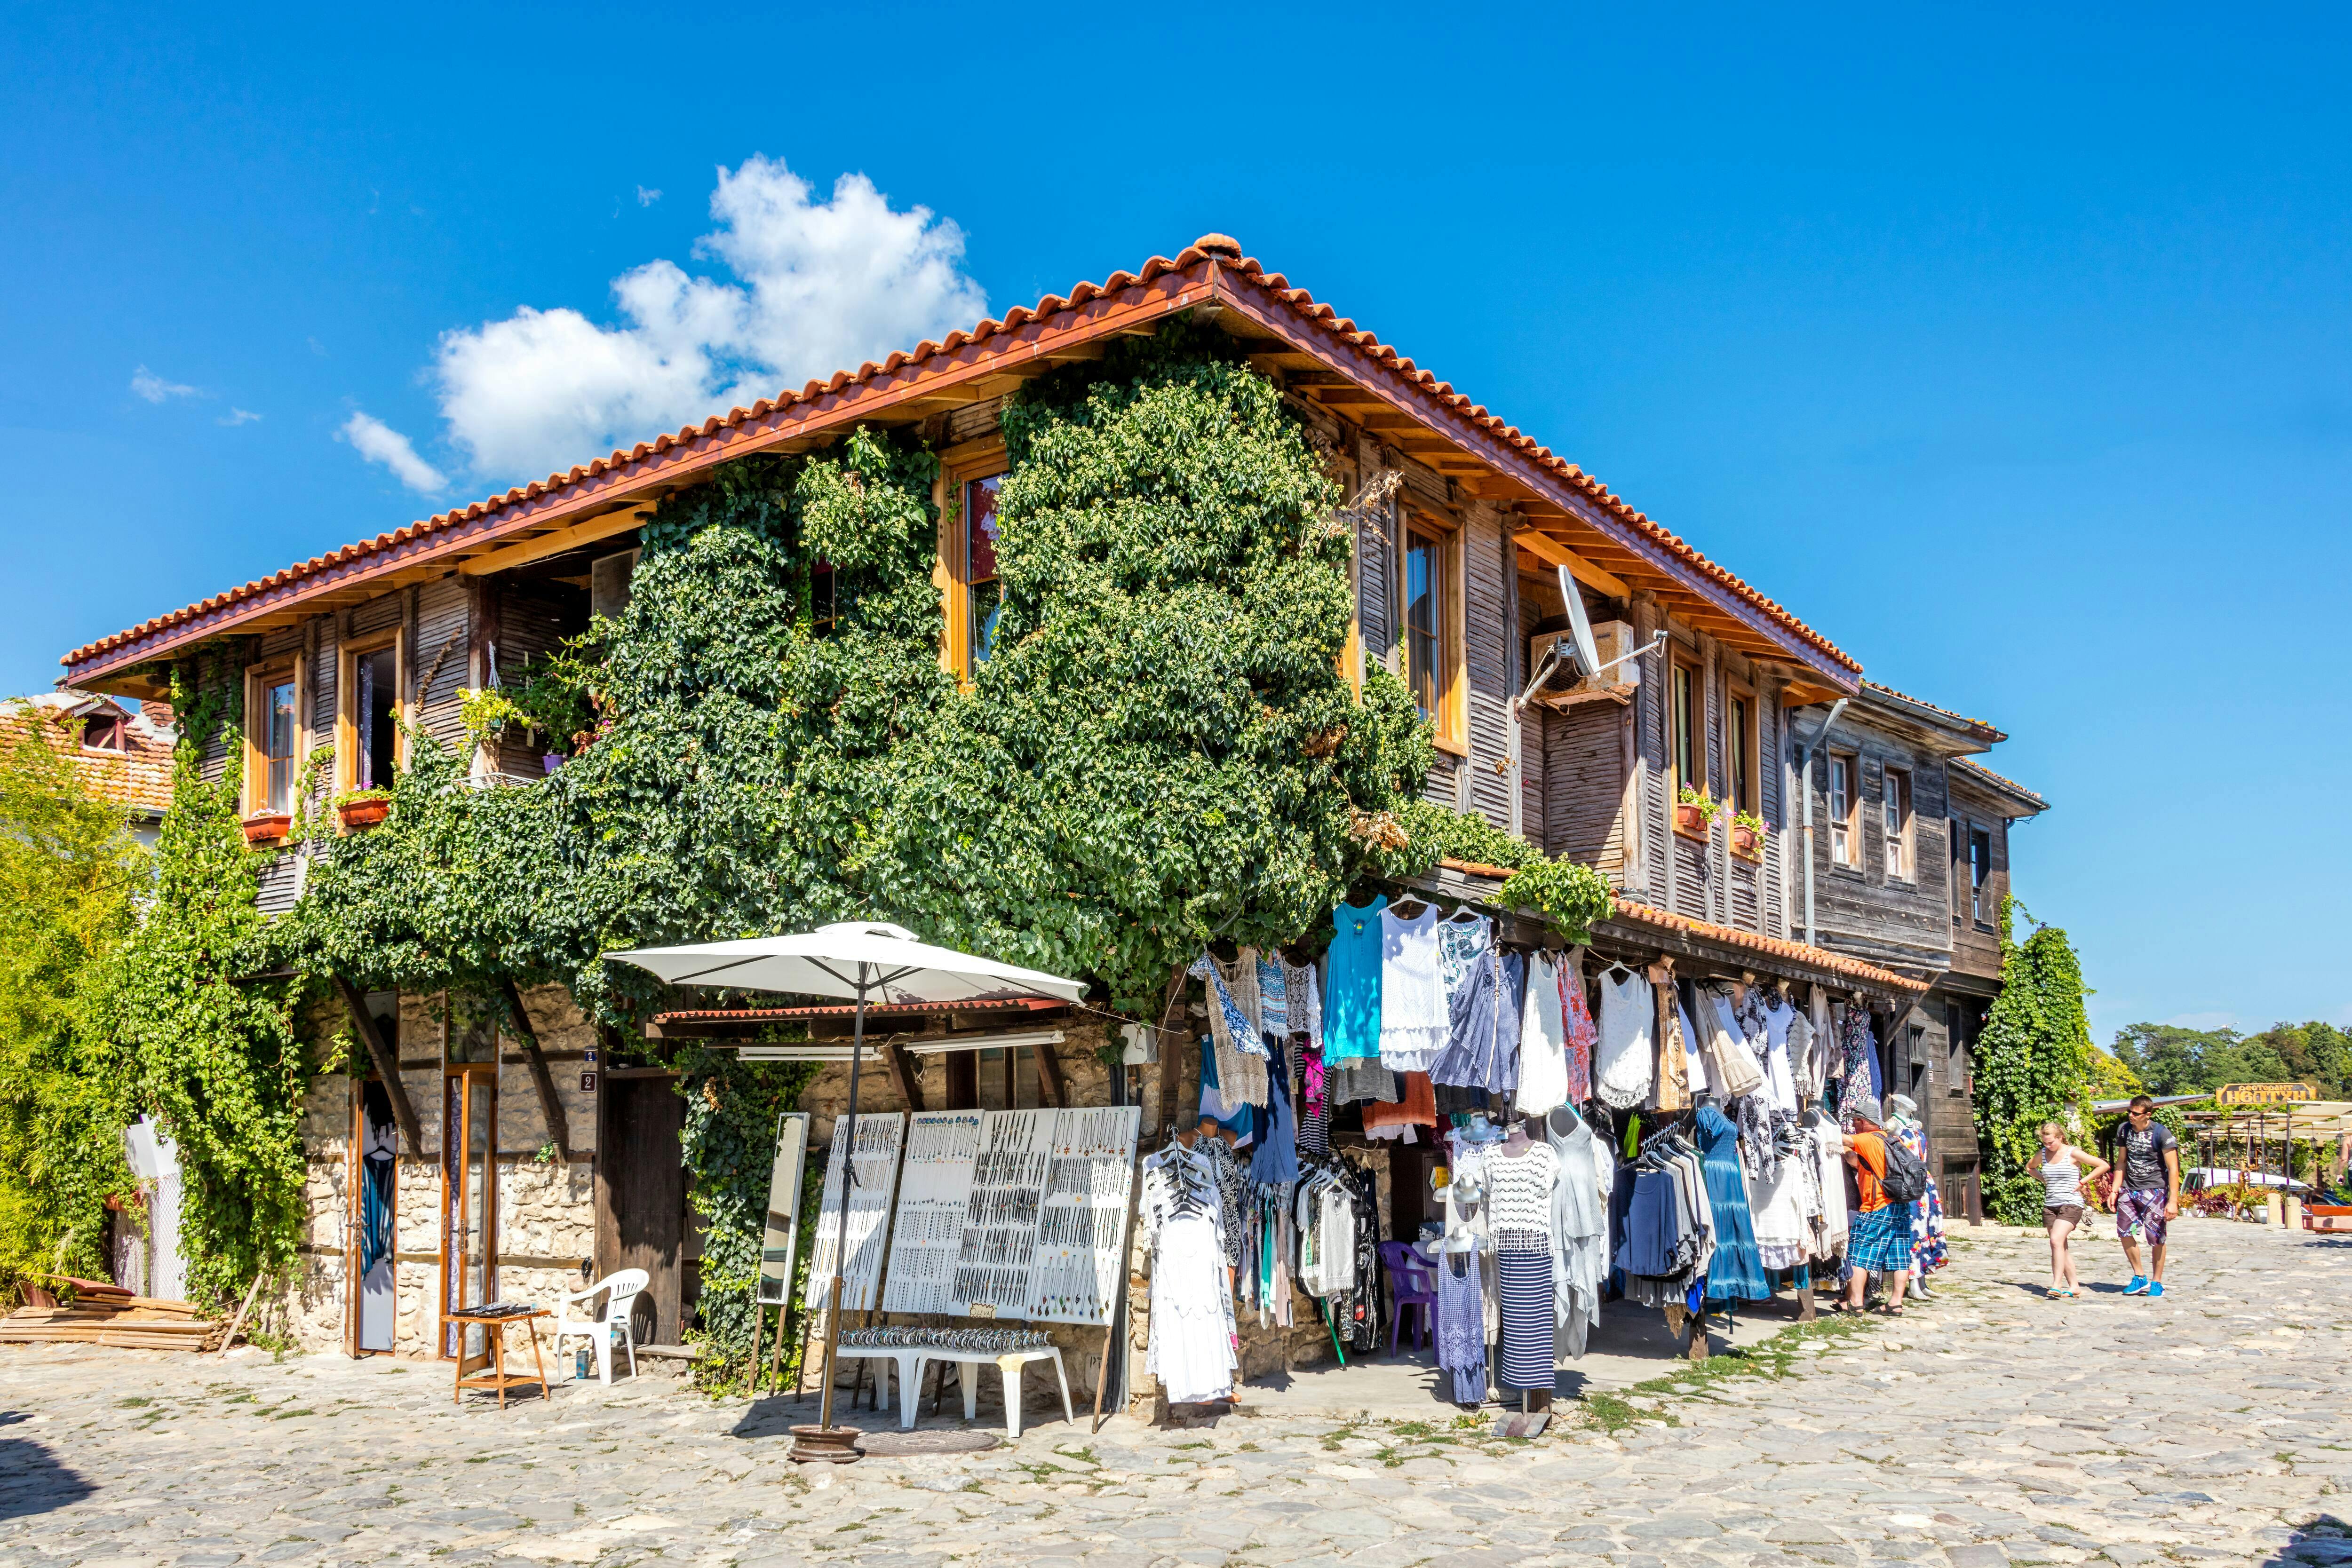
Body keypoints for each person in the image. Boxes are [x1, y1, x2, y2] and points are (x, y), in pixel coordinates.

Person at [1841, 1099, 1915, 1315]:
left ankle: (1856, 1303)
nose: (1853, 1125)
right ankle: (1896, 1303)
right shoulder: (1893, 1140)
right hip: (1900, 1205)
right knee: (1900, 1256)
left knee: (1858, 1255)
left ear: (1864, 1121)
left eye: (1855, 1121)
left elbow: (1841, 1139)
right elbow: (1861, 1163)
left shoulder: (1866, 1139)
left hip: (1877, 1206)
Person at [2108, 1095, 2182, 1297]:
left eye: (2136, 1113)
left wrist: (2173, 1201)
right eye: (2129, 1112)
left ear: (2147, 1115)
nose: (2131, 1116)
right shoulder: (2124, 1130)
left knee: (2155, 1237)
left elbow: (2173, 1169)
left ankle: (2157, 1282)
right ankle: (2139, 1276)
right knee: (2124, 1232)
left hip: (2155, 1189)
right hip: (2129, 1188)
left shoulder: (2161, 1133)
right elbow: (2121, 1161)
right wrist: (2115, 1189)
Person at [2028, 1121, 2108, 1299]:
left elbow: (2103, 1165)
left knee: (2056, 1240)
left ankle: (2056, 1284)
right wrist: (2044, 1180)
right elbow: (2030, 1168)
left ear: (2060, 1137)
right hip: (2051, 1205)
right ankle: (2074, 1286)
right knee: (2061, 1246)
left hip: (2071, 1204)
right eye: (2045, 1143)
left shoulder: (2073, 1153)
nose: (2048, 1146)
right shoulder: (2042, 1154)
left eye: (2051, 1142)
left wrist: (2082, 1182)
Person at [1886, 1094, 1948, 1299]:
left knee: (1927, 1229)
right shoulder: (1892, 1125)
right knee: (1913, 1230)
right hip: (1909, 1181)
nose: (1913, 1104)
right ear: (1899, 1105)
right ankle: (1912, 1282)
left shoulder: (1916, 1124)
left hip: (1924, 1180)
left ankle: (1923, 1280)